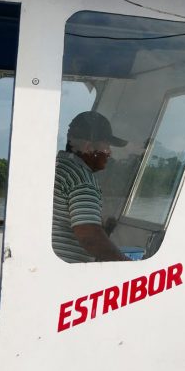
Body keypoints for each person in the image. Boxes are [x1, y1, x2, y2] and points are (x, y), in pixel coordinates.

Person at [52, 111, 128, 264]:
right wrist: (127, 265)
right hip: (65, 272)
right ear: (88, 147)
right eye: (106, 145)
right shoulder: (81, 179)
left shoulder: (57, 167)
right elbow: (90, 238)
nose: (109, 152)